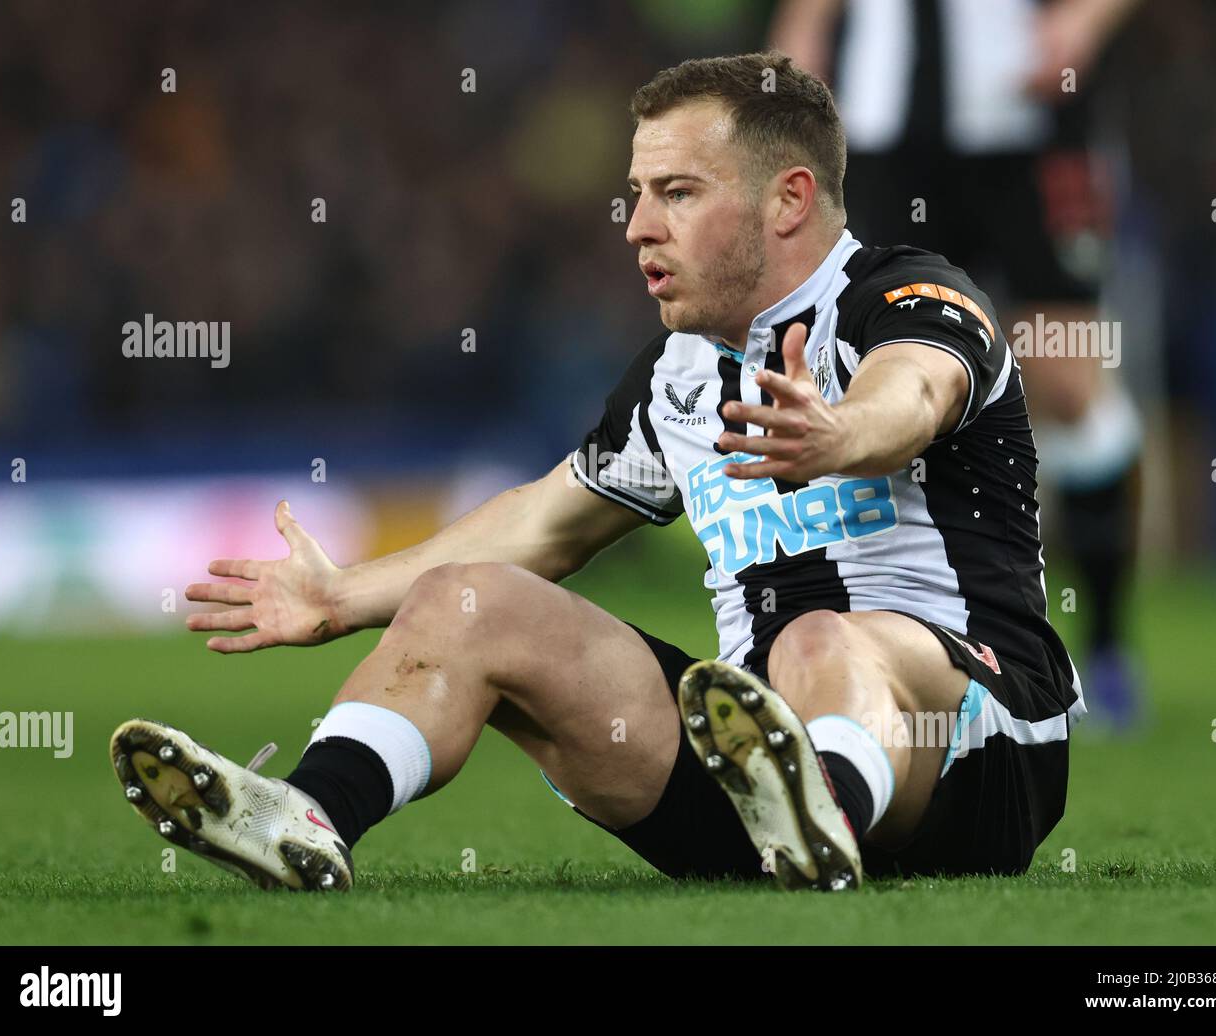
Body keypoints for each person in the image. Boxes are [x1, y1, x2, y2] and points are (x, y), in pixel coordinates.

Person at [111, 52, 1082, 893]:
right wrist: (342, 595)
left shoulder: (911, 297)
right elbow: (546, 524)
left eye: (678, 193)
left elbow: (914, 392)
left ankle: (820, 806)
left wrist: (840, 433)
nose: (637, 227)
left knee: (820, 642)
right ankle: (306, 817)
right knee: (471, 600)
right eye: (638, 194)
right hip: (750, 763)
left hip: (976, 753)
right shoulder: (678, 373)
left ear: (787, 198)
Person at [770, 0, 1145, 730]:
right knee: (880, 367)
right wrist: (803, 31)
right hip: (883, 126)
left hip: (1029, 119)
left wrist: (1086, 22)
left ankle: (1103, 646)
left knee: (1067, 381)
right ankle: (918, 644)